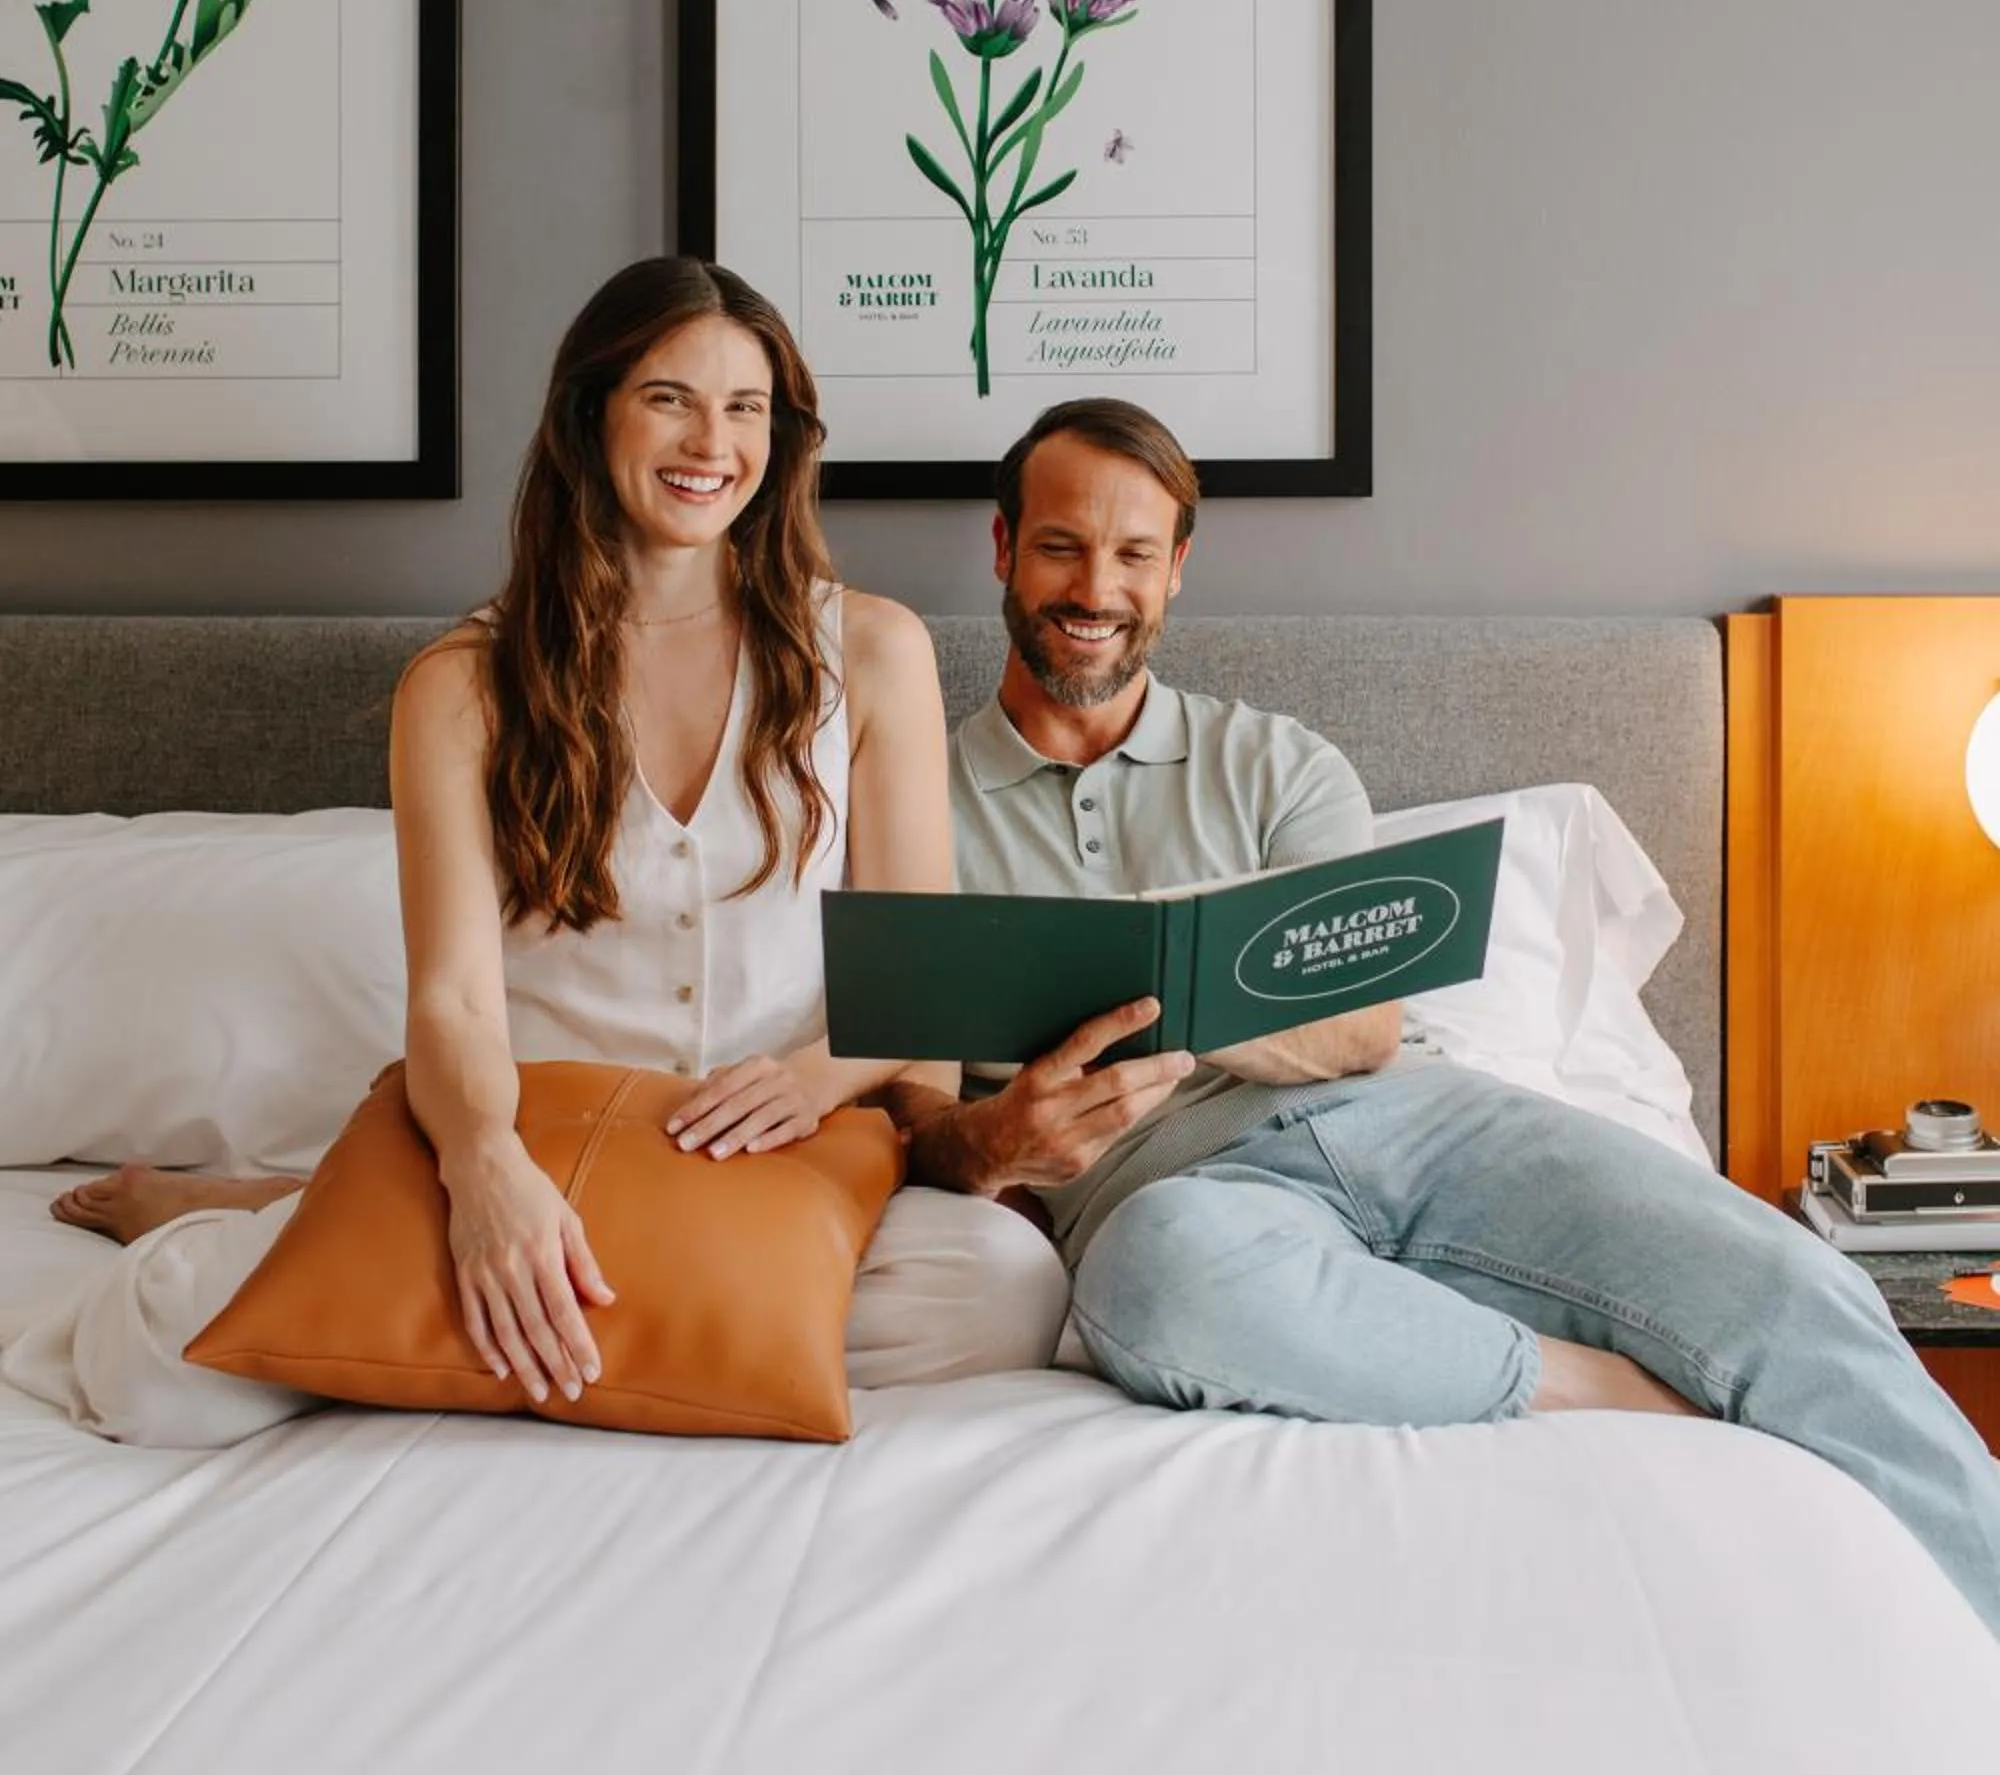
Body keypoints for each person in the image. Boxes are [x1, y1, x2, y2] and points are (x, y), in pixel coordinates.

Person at [890, 395, 2000, 1638]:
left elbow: (1362, 1029)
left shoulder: (1278, 764)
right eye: (1060, 547)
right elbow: (913, 1105)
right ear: (1001, 549)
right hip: (1174, 1196)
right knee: (1155, 1288)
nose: (1095, 586)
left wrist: (1165, 997)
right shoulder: (911, 806)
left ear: (1175, 573)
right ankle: (1582, 1382)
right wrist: (994, 1142)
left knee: (1792, 1289)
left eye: (1133, 554)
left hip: (1421, 1127)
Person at [14, 259, 1067, 1445]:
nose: (710, 441)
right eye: (669, 397)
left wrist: (815, 1077)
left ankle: (356, 1235)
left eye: (745, 407)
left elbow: (914, 992)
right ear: (590, 414)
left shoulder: (871, 653)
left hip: (787, 1155)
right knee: (153, 1370)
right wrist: (482, 1179)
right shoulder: (461, 684)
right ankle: (537, 1283)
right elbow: (454, 1003)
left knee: (1002, 1289)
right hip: (538, 1145)